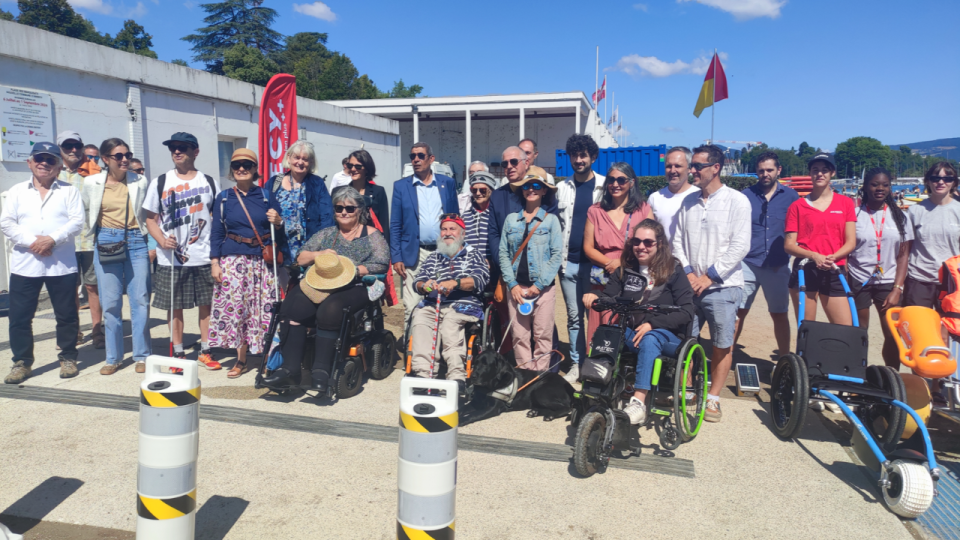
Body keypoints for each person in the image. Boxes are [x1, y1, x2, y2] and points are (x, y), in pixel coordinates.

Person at [263, 188, 390, 389]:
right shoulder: (326, 234)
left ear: (360, 210)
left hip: (355, 283)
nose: (344, 212)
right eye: (339, 208)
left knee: (330, 310)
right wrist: (319, 255)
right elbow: (300, 257)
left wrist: (350, 271)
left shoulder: (373, 235)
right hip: (321, 282)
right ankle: (289, 370)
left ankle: (321, 371)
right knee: (291, 307)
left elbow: (381, 264)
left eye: (349, 208)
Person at [583, 219, 695, 424]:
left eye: (648, 242)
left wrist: (653, 323)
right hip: (633, 333)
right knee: (608, 332)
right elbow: (610, 297)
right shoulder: (625, 270)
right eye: (636, 241)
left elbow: (687, 311)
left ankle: (638, 402)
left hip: (667, 337)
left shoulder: (674, 270)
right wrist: (594, 298)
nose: (641, 246)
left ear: (659, 244)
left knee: (650, 338)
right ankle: (597, 390)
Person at [672, 145, 751, 423]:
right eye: (692, 165)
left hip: (724, 287)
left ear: (715, 168)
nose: (691, 171)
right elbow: (678, 242)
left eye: (697, 166)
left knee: (721, 345)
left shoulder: (737, 201)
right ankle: (690, 389)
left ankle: (714, 397)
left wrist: (710, 276)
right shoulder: (688, 202)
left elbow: (740, 246)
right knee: (687, 341)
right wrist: (690, 273)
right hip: (691, 286)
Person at [1, 142, 84, 383]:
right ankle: (22, 362)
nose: (44, 164)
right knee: (19, 317)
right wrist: (33, 242)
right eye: (39, 159)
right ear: (30, 162)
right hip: (26, 264)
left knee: (67, 315)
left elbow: (77, 222)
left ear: (59, 166)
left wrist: (51, 240)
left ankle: (68, 357)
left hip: (61, 264)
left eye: (50, 160)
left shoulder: (69, 191)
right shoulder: (17, 191)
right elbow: (6, 223)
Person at [142, 132, 221, 367]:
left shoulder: (208, 181)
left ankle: (206, 350)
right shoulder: (161, 182)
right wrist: (161, 240)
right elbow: (150, 219)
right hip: (172, 259)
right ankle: (177, 353)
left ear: (195, 151)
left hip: (202, 255)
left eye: (183, 147)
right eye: (173, 148)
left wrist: (216, 252)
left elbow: (216, 217)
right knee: (175, 307)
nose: (177, 151)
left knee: (206, 305)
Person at [208, 149, 281, 377]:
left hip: (261, 263)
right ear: (232, 169)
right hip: (233, 261)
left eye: (247, 165)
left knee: (265, 310)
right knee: (238, 310)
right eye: (237, 165)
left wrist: (279, 223)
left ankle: (268, 359)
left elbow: (278, 233)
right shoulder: (224, 198)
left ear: (255, 169)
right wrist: (214, 263)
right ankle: (241, 360)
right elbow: (216, 233)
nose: (241, 169)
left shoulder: (267, 196)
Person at [81, 138, 152, 374]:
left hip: (136, 240)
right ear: (105, 159)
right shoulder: (92, 183)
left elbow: (149, 214)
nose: (124, 160)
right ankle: (113, 358)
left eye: (127, 155)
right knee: (110, 302)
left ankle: (142, 355)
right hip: (106, 241)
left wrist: (152, 243)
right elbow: (87, 212)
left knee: (140, 299)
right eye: (118, 156)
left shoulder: (139, 181)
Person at [733, 152, 799, 360]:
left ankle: (784, 357)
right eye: (761, 170)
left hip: (777, 265)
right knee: (738, 312)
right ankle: (727, 354)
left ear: (778, 170)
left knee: (779, 314)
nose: (765, 174)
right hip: (748, 263)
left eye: (769, 170)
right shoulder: (745, 196)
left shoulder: (791, 197)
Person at [582, 163, 652, 358]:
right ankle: (597, 371)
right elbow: (588, 247)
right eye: (611, 179)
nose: (615, 184)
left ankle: (625, 374)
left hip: (632, 275)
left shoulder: (644, 210)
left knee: (628, 324)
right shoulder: (595, 210)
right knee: (600, 324)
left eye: (621, 180)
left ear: (631, 183)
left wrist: (622, 263)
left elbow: (652, 243)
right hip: (602, 278)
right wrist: (609, 263)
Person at [410, 215, 489, 386]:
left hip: (464, 304)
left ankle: (456, 375)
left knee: (450, 324)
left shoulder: (474, 255)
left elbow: (480, 279)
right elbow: (417, 282)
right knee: (421, 319)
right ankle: (423, 373)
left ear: (462, 233)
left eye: (452, 229)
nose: (447, 233)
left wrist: (456, 283)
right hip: (433, 303)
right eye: (444, 229)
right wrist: (425, 285)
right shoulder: (433, 257)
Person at [848, 168, 913, 368]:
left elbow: (903, 256)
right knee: (860, 332)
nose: (880, 188)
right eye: (875, 184)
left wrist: (897, 288)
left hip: (888, 282)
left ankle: (891, 378)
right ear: (866, 187)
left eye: (885, 184)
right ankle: (857, 377)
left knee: (893, 334)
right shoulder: (855, 215)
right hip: (859, 279)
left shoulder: (900, 217)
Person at [498, 168, 563, 370]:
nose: (531, 190)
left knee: (542, 334)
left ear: (544, 191)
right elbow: (503, 254)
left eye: (537, 186)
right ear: (522, 190)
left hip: (543, 290)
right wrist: (512, 284)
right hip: (516, 289)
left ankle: (540, 377)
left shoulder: (551, 221)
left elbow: (556, 255)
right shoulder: (511, 220)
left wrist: (539, 284)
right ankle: (525, 374)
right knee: (519, 336)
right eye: (527, 186)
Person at [784, 153, 857, 325]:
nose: (820, 174)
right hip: (805, 269)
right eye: (815, 170)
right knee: (806, 330)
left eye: (825, 170)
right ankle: (805, 353)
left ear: (832, 173)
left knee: (843, 329)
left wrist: (832, 257)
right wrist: (815, 256)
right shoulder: (797, 206)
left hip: (834, 269)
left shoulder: (845, 203)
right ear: (810, 173)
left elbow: (851, 241)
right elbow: (788, 245)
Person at [391, 143, 459, 323]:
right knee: (412, 305)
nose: (415, 160)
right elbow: (396, 224)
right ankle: (411, 349)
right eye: (412, 156)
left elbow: (455, 220)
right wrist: (396, 257)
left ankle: (436, 348)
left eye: (420, 156)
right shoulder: (401, 186)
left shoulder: (447, 183)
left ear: (431, 158)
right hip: (414, 253)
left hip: (443, 252)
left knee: (441, 302)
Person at [557, 134, 605, 383]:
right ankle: (576, 364)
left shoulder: (606, 186)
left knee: (596, 317)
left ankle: (595, 365)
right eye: (574, 155)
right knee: (574, 317)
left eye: (583, 155)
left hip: (596, 267)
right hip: (569, 264)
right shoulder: (561, 188)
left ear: (593, 157)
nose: (579, 159)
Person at [265, 141, 335, 289]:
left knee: (308, 290)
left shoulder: (316, 184)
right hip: (281, 247)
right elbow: (264, 212)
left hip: (309, 247)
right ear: (289, 158)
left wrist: (321, 247)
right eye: (297, 157)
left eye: (305, 159)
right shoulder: (274, 183)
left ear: (310, 162)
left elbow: (327, 217)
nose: (300, 162)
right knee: (284, 292)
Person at [57, 130, 103, 349]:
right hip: (64, 242)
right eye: (68, 146)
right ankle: (74, 332)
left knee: (93, 288)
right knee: (69, 288)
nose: (73, 150)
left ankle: (97, 331)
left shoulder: (93, 172)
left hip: (90, 239)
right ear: (60, 149)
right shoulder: (53, 173)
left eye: (77, 145)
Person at [905, 162, 960, 308]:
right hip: (919, 279)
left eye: (947, 179)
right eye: (936, 178)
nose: (941, 182)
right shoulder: (915, 211)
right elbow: (906, 249)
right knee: (918, 329)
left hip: (952, 280)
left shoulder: (958, 210)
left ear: (954, 182)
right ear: (928, 181)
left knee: (949, 329)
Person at [334, 149, 390, 246]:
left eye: (358, 166)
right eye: (350, 166)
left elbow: (384, 223)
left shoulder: (378, 192)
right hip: (344, 243)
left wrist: (387, 249)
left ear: (367, 169)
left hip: (370, 244)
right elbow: (333, 221)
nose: (353, 169)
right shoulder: (339, 192)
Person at [648, 147, 700, 240]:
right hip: (663, 254)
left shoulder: (698, 196)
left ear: (689, 169)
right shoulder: (655, 198)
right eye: (668, 166)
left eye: (678, 166)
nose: (672, 170)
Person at [462, 171, 498, 264]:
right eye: (474, 190)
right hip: (469, 268)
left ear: (491, 190)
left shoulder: (497, 215)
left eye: (482, 190)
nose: (478, 193)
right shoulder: (465, 216)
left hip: (492, 269)